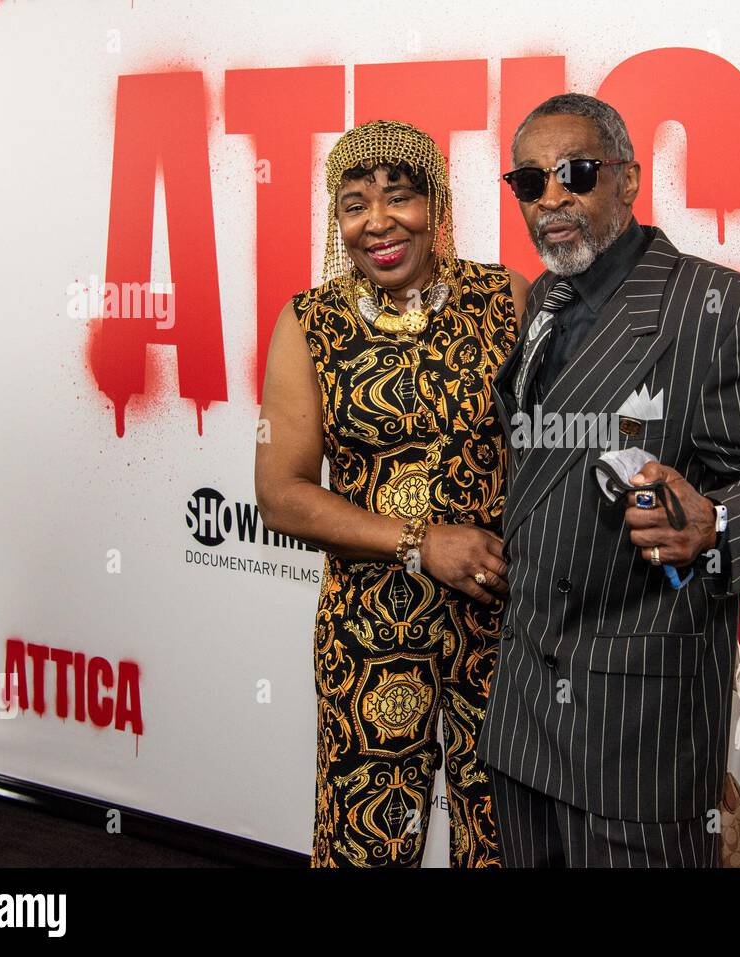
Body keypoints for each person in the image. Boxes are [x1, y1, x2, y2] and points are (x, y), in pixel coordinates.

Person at [477, 94, 740, 867]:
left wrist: (717, 522)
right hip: (524, 721)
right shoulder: (544, 299)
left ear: (629, 180)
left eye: (576, 172)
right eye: (529, 182)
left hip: (637, 736)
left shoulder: (715, 308)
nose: (552, 198)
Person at [255, 119, 528, 867]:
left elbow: (553, 448)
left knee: (507, 841)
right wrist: (418, 542)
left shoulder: (505, 296)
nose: (377, 221)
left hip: (504, 625)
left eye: (398, 196)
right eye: (353, 204)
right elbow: (280, 493)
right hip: (370, 631)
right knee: (367, 846)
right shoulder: (310, 324)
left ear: (435, 204)